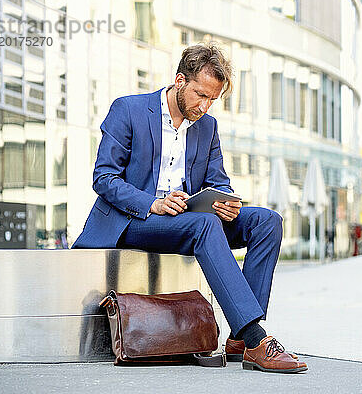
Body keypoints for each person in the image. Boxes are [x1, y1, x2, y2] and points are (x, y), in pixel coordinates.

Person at [73, 43, 307, 374]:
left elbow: (218, 180)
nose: (205, 106)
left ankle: (239, 342)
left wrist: (224, 201)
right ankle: (255, 338)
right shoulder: (129, 110)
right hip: (135, 220)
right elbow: (104, 178)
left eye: (213, 99)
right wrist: (153, 202)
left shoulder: (207, 126)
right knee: (204, 226)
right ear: (180, 80)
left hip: (189, 219)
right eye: (200, 95)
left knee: (267, 222)